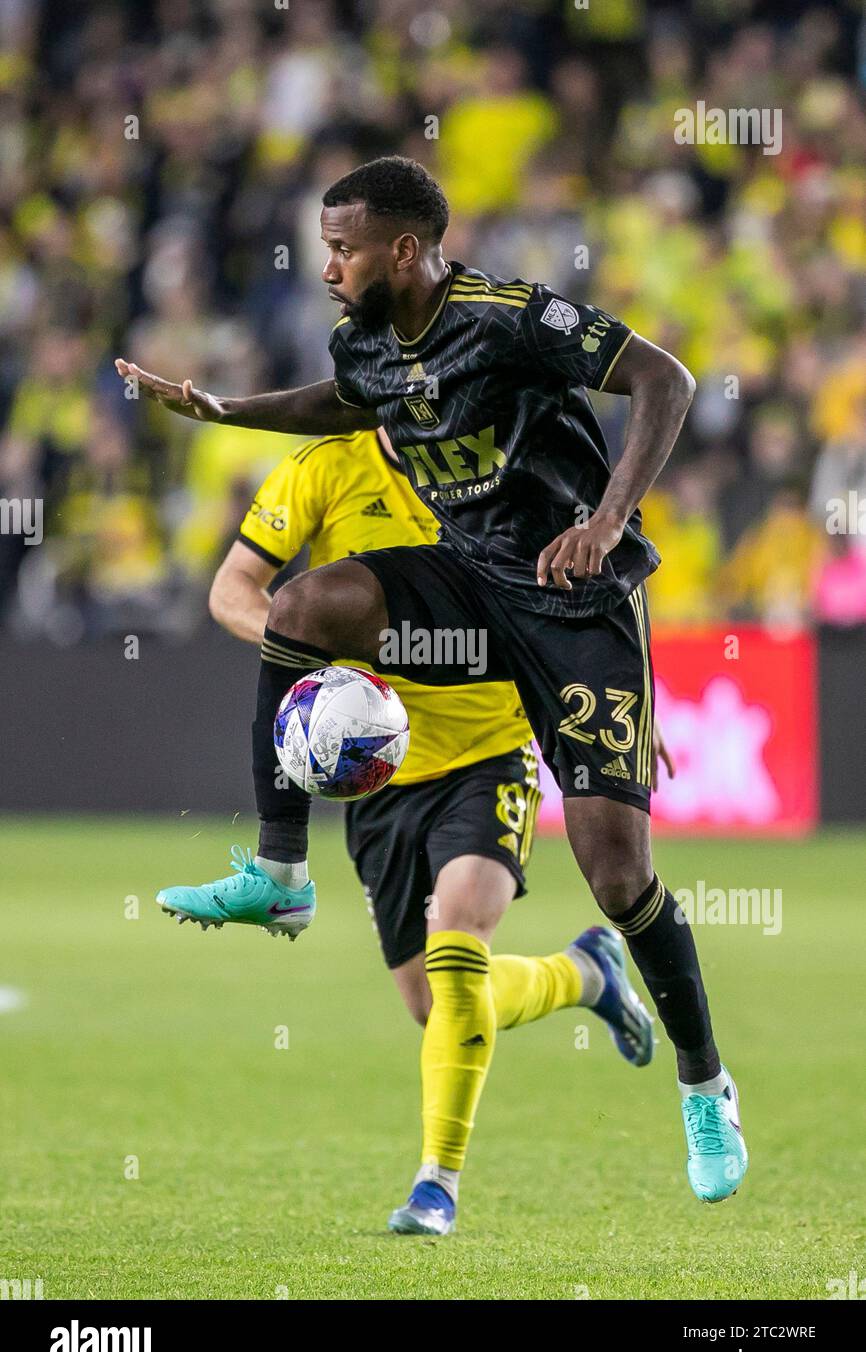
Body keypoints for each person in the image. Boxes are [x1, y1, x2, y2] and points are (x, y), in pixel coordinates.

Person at [116, 155, 748, 1235]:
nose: (325, 267)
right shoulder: (363, 338)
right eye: (323, 247)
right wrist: (221, 408)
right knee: (304, 607)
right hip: (464, 588)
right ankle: (280, 870)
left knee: (614, 871)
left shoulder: (506, 317)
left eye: (343, 248)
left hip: (570, 592)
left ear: (402, 250)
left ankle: (702, 1084)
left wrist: (604, 518)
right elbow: (342, 399)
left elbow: (666, 379)